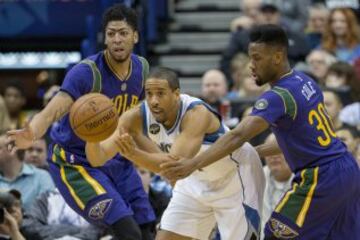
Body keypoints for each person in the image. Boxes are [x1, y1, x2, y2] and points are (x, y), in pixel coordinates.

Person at [161, 24, 360, 239]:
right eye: (250, 58)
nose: (251, 66)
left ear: (277, 56)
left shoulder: (277, 96)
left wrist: (193, 163)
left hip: (320, 177)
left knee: (275, 235)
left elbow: (238, 135)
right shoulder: (305, 80)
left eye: (257, 58)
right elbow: (302, 138)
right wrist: (254, 152)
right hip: (346, 169)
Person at [6, 4, 155, 240]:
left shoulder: (142, 69)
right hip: (75, 165)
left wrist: (162, 160)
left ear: (135, 36)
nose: (117, 39)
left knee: (147, 230)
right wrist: (31, 132)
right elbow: (51, 112)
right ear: (104, 38)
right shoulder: (86, 73)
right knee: (129, 233)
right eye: (111, 33)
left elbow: (133, 126)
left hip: (113, 157)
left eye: (123, 33)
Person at [86, 67, 265, 240]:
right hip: (194, 182)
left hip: (235, 178)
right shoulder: (136, 116)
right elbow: (97, 159)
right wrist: (90, 135)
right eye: (149, 94)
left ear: (176, 94)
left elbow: (174, 167)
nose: (154, 100)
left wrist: (133, 154)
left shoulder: (196, 113)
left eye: (161, 93)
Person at [21, 188, 103, 240]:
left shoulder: (100, 199)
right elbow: (30, 227)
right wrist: (75, 230)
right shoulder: (46, 197)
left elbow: (94, 233)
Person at [0, 134, 54, 211]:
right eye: (30, 149)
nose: (34, 155)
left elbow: (47, 212)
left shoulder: (43, 178)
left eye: (0, 148)